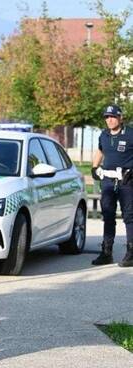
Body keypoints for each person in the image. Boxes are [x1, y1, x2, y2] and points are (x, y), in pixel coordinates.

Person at [91, 104, 133, 267]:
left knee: (129, 216)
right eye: (107, 117)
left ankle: (131, 253)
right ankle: (106, 252)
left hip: (126, 180)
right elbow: (100, 151)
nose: (109, 120)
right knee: (108, 215)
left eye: (113, 116)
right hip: (108, 181)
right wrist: (95, 167)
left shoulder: (130, 133)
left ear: (120, 118)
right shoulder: (103, 135)